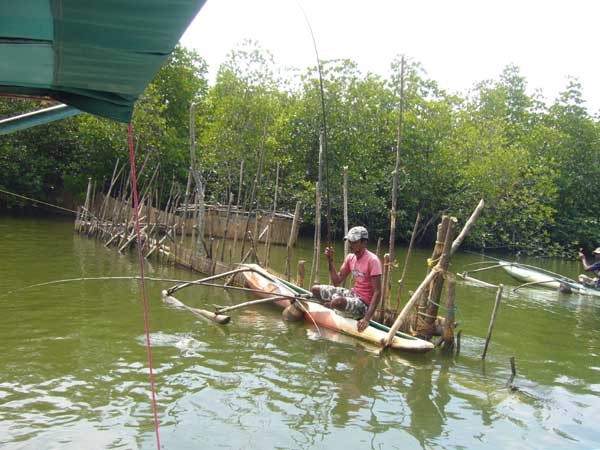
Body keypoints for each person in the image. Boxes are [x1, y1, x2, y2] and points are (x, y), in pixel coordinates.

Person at [311, 226, 382, 332]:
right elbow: (337, 281)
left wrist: (366, 319)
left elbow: (377, 292)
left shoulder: (373, 260)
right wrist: (330, 260)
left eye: (354, 242)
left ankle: (332, 305)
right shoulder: (350, 258)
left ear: (363, 243)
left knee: (337, 302)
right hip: (353, 294)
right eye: (349, 241)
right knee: (315, 289)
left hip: (364, 304)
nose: (350, 245)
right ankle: (332, 305)